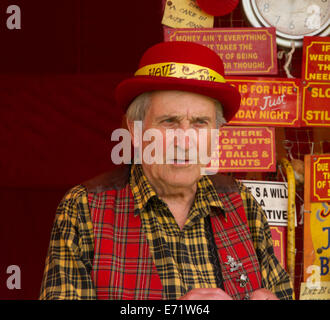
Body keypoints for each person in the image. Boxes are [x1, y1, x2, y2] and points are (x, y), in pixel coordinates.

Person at [39, 41, 293, 300]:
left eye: (199, 123)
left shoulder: (241, 202)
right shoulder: (85, 207)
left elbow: (280, 293)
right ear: (136, 130)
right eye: (169, 122)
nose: (184, 141)